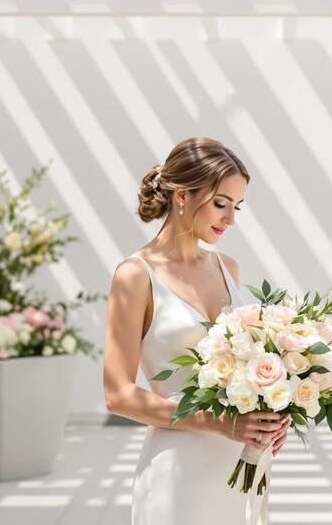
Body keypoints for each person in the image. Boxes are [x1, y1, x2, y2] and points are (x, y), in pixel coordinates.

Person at [103, 137, 290, 524]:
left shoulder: (228, 268)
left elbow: (247, 367)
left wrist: (272, 412)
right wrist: (219, 423)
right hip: (178, 470)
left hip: (241, 464)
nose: (230, 219)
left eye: (236, 207)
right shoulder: (136, 275)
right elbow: (117, 395)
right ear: (182, 195)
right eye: (221, 203)